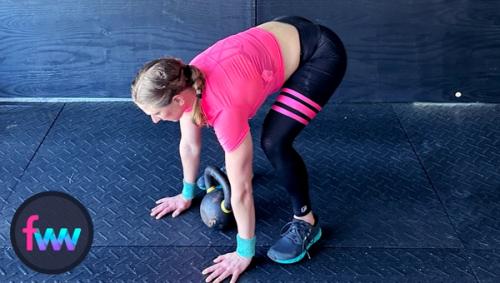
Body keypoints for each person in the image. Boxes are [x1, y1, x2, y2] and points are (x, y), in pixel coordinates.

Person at [131, 15, 347, 283]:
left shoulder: (223, 108)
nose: (154, 120)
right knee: (242, 159)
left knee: (274, 141)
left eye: (157, 113)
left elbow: (242, 190)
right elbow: (189, 143)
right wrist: (186, 194)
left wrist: (244, 252)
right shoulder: (186, 80)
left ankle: (307, 222)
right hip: (287, 33)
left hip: (320, 53)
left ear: (176, 100)